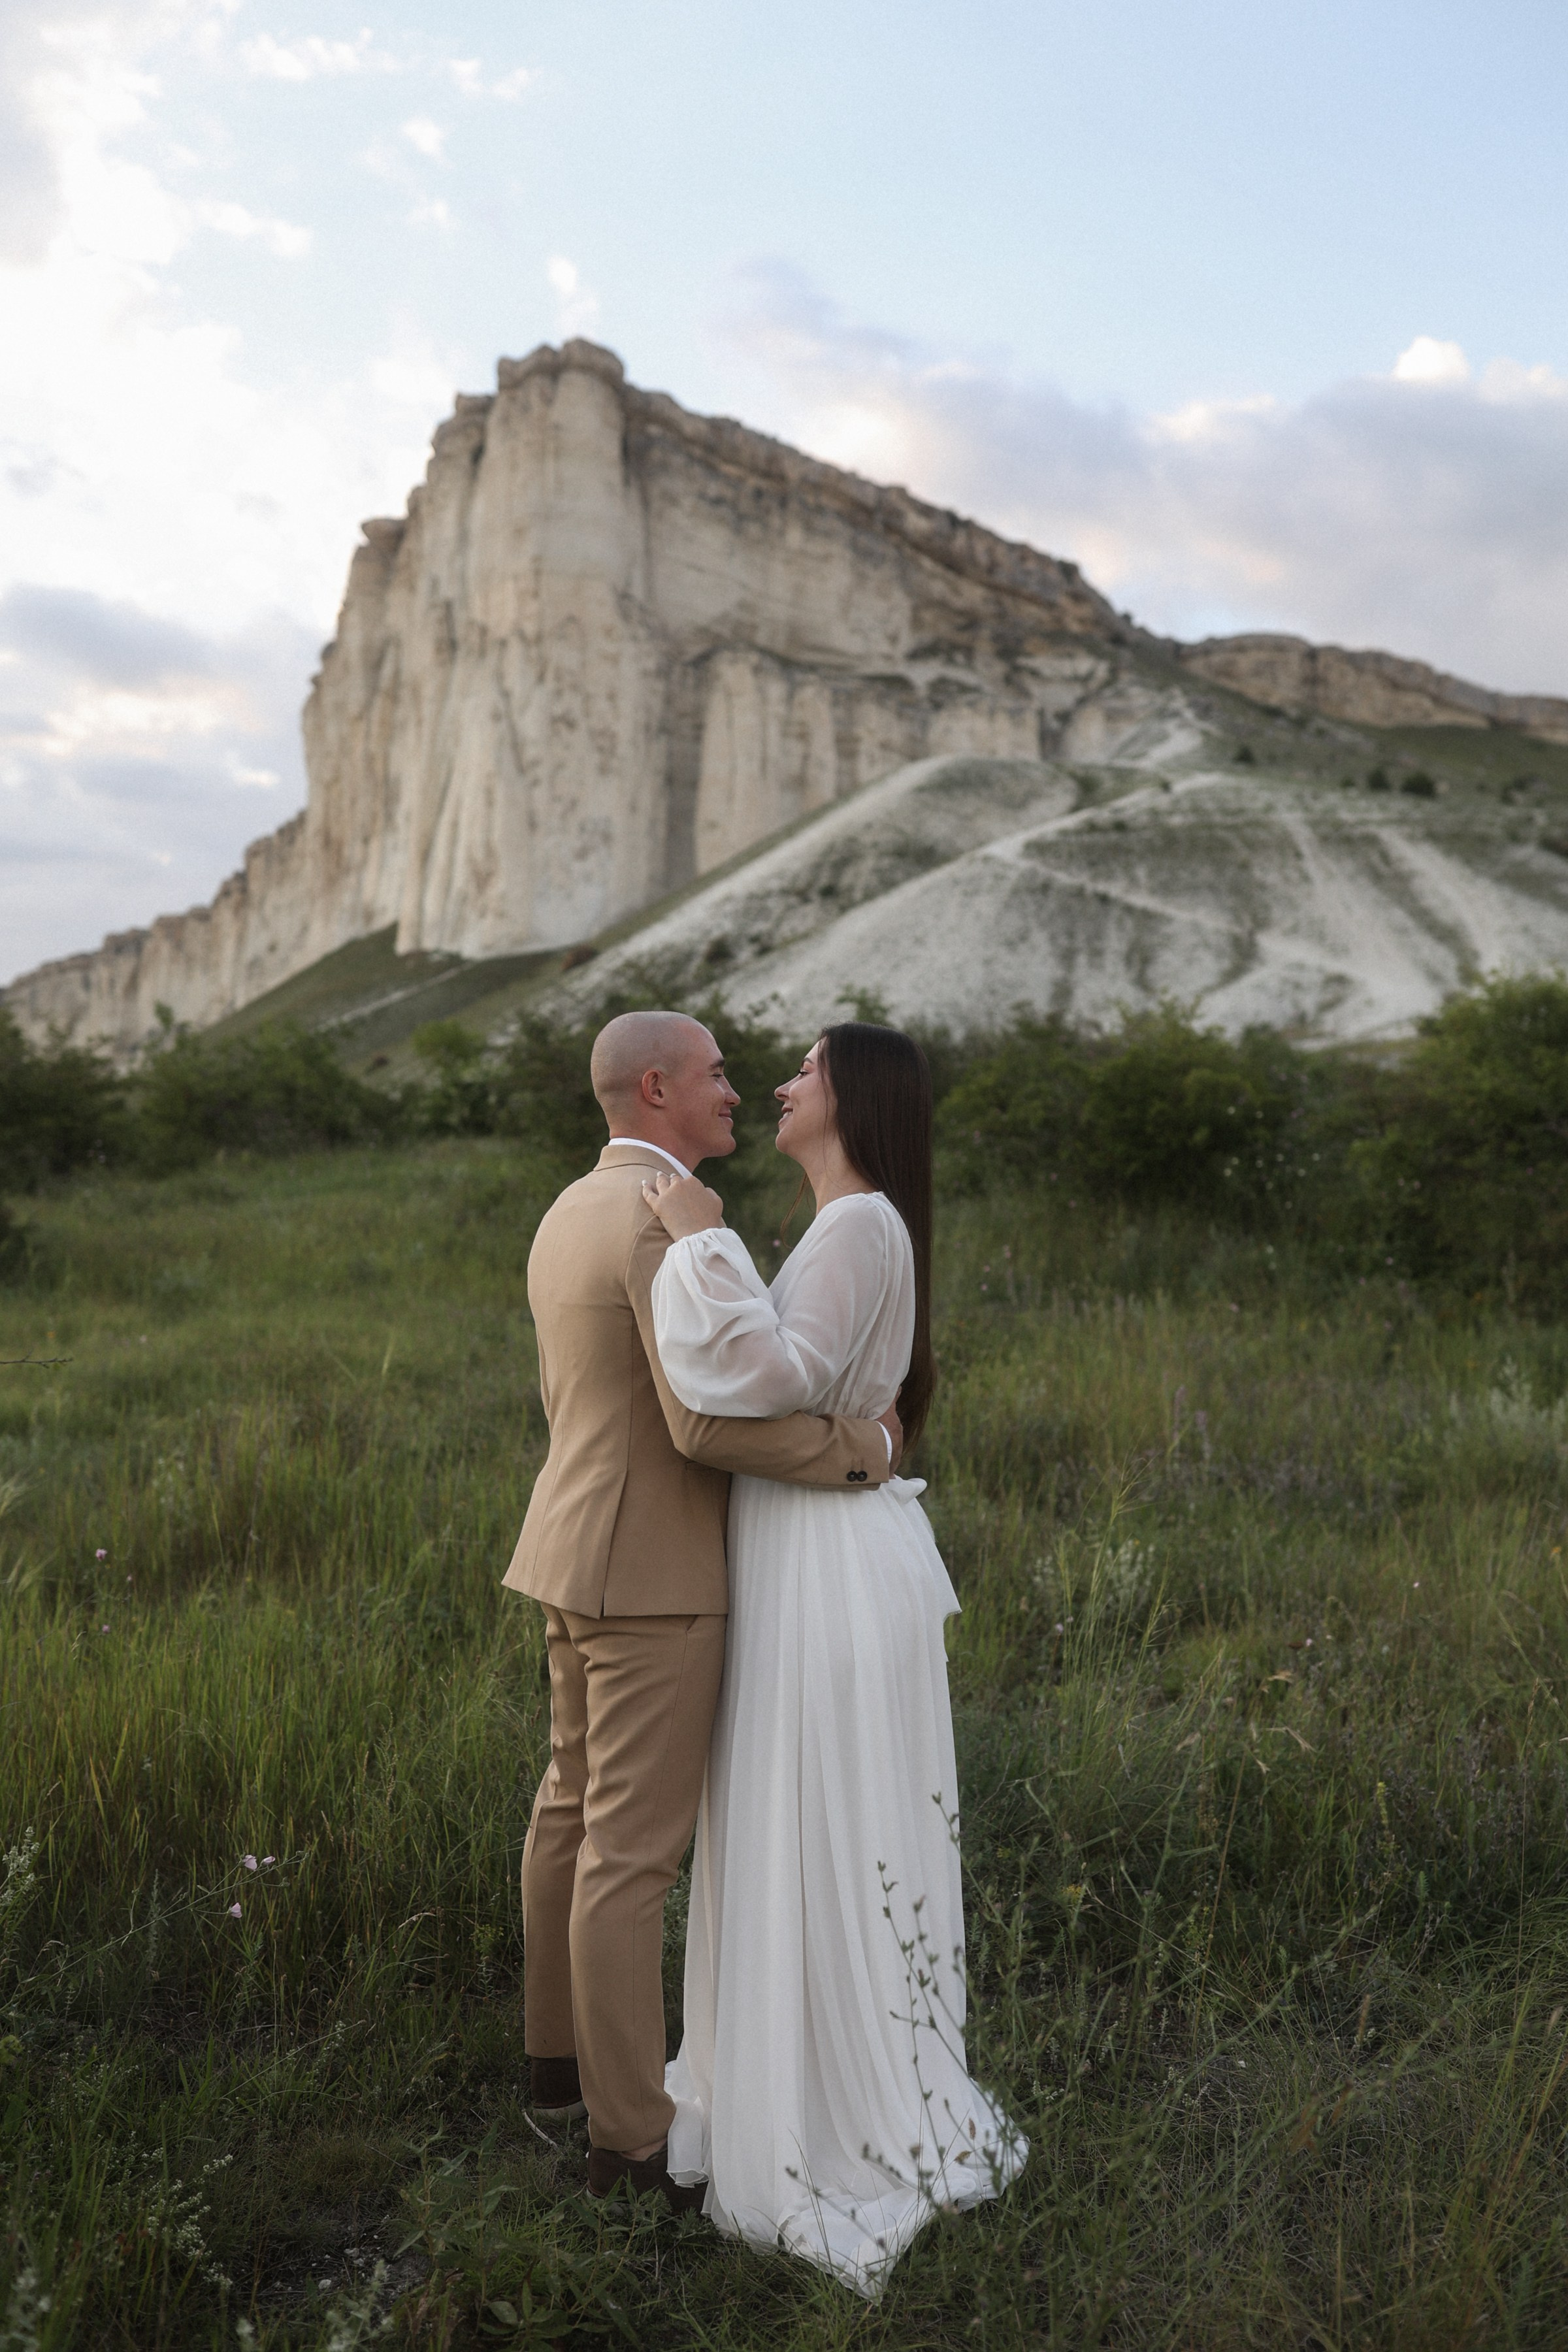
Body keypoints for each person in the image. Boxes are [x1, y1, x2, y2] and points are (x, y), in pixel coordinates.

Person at [645, 1020, 1026, 2296]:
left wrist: (700, 1240)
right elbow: (819, 1387)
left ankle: (825, 2115)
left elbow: (777, 1377)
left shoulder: (861, 1226)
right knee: (805, 1824)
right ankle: (801, 2075)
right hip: (813, 1546)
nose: (782, 1084)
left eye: (804, 1068)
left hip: (823, 1561)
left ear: (852, 1096)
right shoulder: (847, 1224)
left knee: (812, 1823)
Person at [504, 1010, 900, 2213]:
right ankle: (628, 2146)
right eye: (720, 1074)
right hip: (656, 1577)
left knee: (570, 1818)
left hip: (570, 1552)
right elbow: (700, 1423)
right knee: (631, 1858)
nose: (738, 1091)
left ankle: (557, 2067)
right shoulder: (659, 1224)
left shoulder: (571, 1205)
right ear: (659, 1086)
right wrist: (860, 1450)